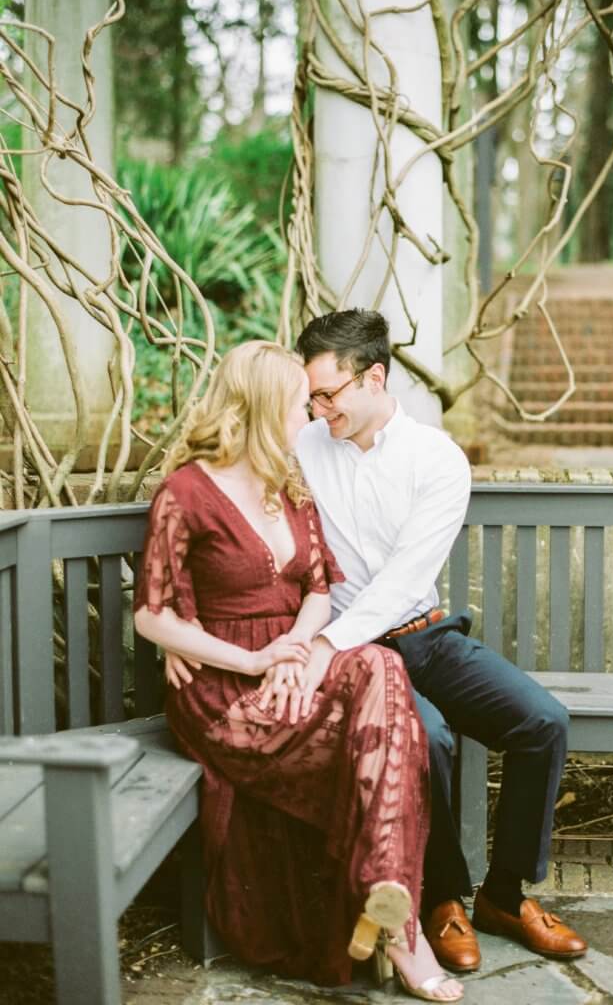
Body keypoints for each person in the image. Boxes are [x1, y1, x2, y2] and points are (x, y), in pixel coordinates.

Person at [134, 340, 464, 1001]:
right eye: (298, 402)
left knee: (376, 668)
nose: (312, 414)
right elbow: (152, 615)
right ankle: (400, 924)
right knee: (388, 739)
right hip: (221, 689)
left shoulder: (289, 485)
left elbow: (318, 589)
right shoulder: (186, 492)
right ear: (260, 407)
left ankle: (389, 904)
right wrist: (250, 659)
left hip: (291, 659)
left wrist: (296, 653)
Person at [287, 309, 588, 972]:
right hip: (360, 658)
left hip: (424, 636)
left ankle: (505, 897)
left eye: (328, 393)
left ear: (374, 377)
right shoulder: (304, 445)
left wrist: (324, 644)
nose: (316, 406)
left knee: (542, 721)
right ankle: (441, 900)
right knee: (428, 739)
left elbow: (403, 580)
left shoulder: (436, 459)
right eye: (310, 394)